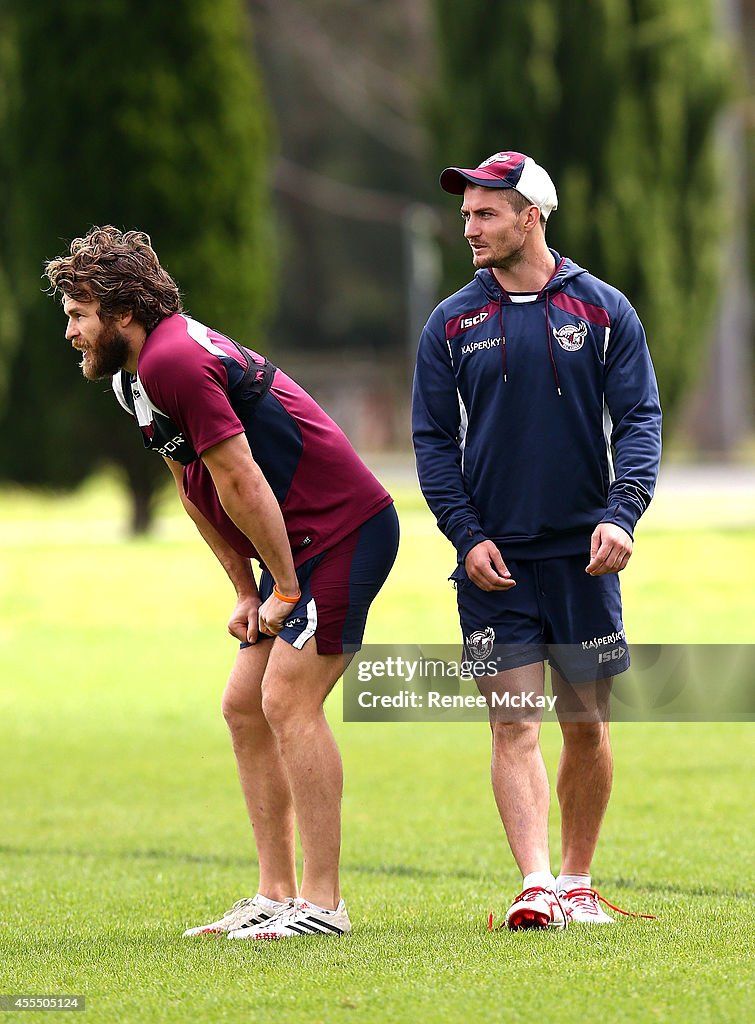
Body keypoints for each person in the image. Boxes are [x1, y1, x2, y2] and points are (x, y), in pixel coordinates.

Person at [45, 226, 399, 941]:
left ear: (121, 312)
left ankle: (323, 905)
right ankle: (274, 894)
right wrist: (246, 588)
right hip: (290, 551)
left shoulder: (174, 358)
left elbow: (240, 476)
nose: (71, 332)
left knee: (285, 699)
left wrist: (288, 588)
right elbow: (193, 484)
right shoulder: (133, 379)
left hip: (343, 532)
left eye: (79, 315)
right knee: (244, 706)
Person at [412, 152, 661, 929]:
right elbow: (429, 440)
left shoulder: (604, 310)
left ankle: (578, 880)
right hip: (493, 565)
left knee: (584, 724)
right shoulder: (450, 321)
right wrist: (464, 536)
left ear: (532, 216)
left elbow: (641, 420)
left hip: (583, 562)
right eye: (465, 216)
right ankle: (535, 882)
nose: (469, 228)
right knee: (512, 721)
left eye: (485, 214)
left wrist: (621, 514)